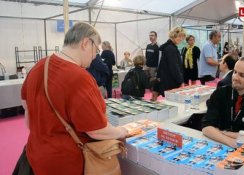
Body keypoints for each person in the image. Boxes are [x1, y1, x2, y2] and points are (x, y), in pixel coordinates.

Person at [20, 22, 129, 175]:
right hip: (67, 162)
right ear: (85, 43)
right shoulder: (79, 77)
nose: (94, 56)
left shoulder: (39, 66)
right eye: (96, 50)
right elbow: (96, 131)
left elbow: (26, 105)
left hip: (36, 154)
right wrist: (120, 131)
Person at [201, 56, 244, 148]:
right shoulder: (220, 93)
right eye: (235, 72)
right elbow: (206, 127)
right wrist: (230, 141)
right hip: (220, 147)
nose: (235, 77)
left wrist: (221, 132)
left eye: (242, 75)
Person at [155, 27, 186, 97]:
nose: (181, 39)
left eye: (182, 37)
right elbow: (174, 67)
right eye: (180, 36)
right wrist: (180, 81)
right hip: (171, 81)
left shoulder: (168, 47)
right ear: (174, 35)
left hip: (167, 79)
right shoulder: (171, 49)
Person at [145, 31, 160, 101]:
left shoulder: (158, 46)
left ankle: (154, 97)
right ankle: (152, 96)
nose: (151, 37)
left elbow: (159, 58)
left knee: (154, 83)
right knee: (148, 83)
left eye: (152, 35)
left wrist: (157, 68)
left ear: (156, 37)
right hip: (147, 67)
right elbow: (146, 57)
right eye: (150, 35)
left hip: (154, 68)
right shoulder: (148, 46)